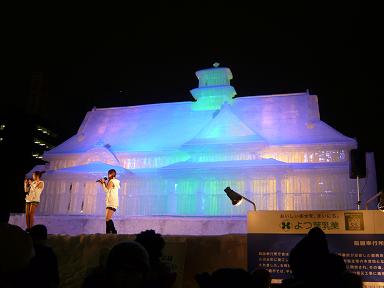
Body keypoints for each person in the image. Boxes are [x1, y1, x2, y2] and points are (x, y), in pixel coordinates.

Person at [97, 169, 120, 234]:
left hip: (112, 202)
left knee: (108, 219)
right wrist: (103, 183)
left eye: (109, 174)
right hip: (110, 202)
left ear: (112, 174)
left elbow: (106, 190)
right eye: (108, 174)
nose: (108, 175)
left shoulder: (112, 181)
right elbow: (107, 190)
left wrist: (103, 182)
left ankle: (113, 231)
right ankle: (108, 232)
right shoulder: (114, 181)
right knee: (107, 219)